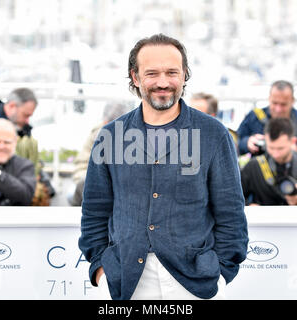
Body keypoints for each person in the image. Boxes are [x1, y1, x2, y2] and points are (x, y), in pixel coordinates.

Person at [78, 34, 248, 300]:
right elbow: (94, 211)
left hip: (195, 283)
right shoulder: (110, 136)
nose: (162, 82)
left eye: (172, 72)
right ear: (135, 78)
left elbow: (231, 213)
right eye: (152, 73)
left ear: (184, 75)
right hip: (125, 281)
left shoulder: (213, 134)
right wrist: (101, 268)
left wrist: (221, 273)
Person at [236, 80, 297, 164]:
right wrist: (247, 142)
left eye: (283, 104)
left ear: (292, 101)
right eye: (275, 103)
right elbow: (233, 144)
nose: (278, 109)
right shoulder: (254, 117)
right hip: (259, 178)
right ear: (269, 99)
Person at [241, 117, 297, 206]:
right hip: (263, 218)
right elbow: (235, 197)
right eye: (271, 148)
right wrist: (249, 205)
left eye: (280, 148)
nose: (275, 154)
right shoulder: (254, 166)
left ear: (293, 141)